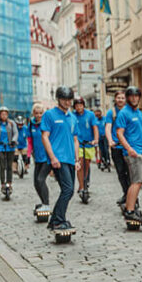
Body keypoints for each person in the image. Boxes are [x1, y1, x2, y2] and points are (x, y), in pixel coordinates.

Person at [41, 87, 79, 231]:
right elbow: (45, 137)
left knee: (68, 190)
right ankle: (57, 220)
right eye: (64, 99)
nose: (68, 102)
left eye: (70, 99)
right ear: (58, 99)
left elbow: (75, 140)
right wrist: (52, 158)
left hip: (70, 159)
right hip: (58, 158)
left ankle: (56, 219)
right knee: (68, 189)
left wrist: (77, 160)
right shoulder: (49, 115)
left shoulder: (73, 117)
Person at [115, 86, 142, 222]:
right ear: (127, 98)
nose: (134, 98)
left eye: (136, 96)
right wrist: (129, 148)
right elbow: (119, 133)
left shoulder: (139, 114)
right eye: (131, 96)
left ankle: (132, 208)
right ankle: (130, 210)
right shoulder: (124, 113)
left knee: (136, 181)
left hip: (141, 151)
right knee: (137, 181)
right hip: (133, 153)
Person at [105, 91, 131, 204]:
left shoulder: (130, 112)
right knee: (121, 172)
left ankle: (132, 196)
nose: (120, 100)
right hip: (116, 146)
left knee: (130, 173)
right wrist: (110, 140)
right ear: (115, 99)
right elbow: (108, 127)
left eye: (122, 98)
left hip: (128, 147)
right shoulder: (112, 112)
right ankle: (126, 193)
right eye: (118, 98)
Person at [73, 98, 99, 194]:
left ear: (83, 105)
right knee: (80, 164)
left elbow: (95, 128)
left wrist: (95, 139)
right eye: (77, 105)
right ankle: (81, 186)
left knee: (86, 165)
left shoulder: (90, 115)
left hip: (89, 143)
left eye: (80, 105)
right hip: (78, 143)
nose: (79, 107)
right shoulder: (72, 115)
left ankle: (84, 181)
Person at [27, 104, 50, 213]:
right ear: (33, 114)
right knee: (36, 183)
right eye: (36, 113)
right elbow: (30, 142)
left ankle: (46, 204)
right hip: (37, 158)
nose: (38, 115)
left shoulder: (46, 124)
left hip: (47, 157)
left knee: (41, 180)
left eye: (41, 113)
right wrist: (28, 155)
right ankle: (43, 202)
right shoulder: (31, 124)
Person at [0, 106, 19, 194]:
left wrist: (13, 141)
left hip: (10, 146)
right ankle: (2, 184)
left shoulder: (12, 123)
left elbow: (16, 133)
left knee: (9, 166)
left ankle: (9, 183)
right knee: (2, 166)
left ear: (7, 115)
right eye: (2, 114)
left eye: (5, 114)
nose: (4, 116)